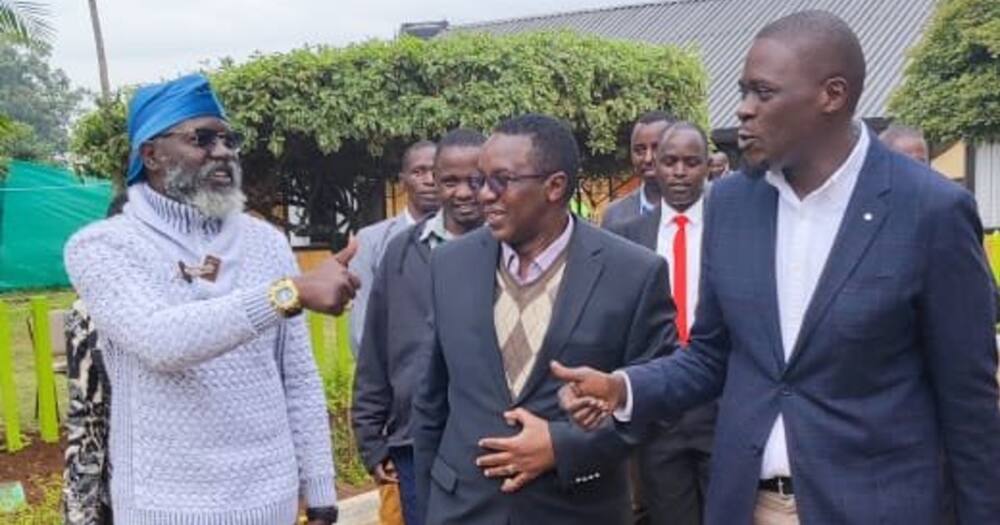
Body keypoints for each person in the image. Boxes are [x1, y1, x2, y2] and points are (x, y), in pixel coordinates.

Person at [553, 11, 1000, 525]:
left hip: (877, 507)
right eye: (744, 92)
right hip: (749, 505)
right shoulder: (733, 204)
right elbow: (711, 356)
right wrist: (624, 388)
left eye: (762, 94)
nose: (742, 111)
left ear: (831, 95)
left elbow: (969, 404)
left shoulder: (930, 210)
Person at [63, 73, 357, 525]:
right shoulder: (102, 247)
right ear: (152, 154)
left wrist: (319, 491)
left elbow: (296, 375)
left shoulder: (267, 243)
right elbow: (160, 341)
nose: (222, 152)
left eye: (228, 139)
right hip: (164, 508)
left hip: (269, 500)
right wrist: (289, 291)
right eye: (201, 138)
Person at [411, 113, 674, 525]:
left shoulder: (634, 274)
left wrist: (563, 446)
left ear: (554, 186)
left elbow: (655, 402)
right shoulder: (449, 264)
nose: (484, 195)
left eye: (502, 180)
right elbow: (430, 400)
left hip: (576, 509)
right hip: (463, 508)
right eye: (482, 179)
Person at [352, 128, 487, 525]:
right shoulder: (402, 251)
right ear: (434, 180)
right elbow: (376, 348)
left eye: (476, 181)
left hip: (491, 438)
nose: (463, 193)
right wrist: (371, 439)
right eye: (450, 181)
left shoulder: (510, 251)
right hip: (415, 440)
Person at [610, 122, 714, 525]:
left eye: (691, 162)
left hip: (722, 404)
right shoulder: (627, 236)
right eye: (669, 161)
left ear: (707, 166)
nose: (679, 171)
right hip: (658, 409)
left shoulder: (734, 227)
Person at [349, 140, 439, 359]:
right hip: (395, 377)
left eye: (437, 172)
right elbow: (363, 325)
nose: (429, 180)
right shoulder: (371, 241)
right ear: (402, 182)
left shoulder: (470, 238)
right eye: (418, 172)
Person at [600, 111, 676, 230]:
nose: (648, 158)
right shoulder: (615, 216)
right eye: (640, 150)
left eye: (657, 148)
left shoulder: (705, 207)